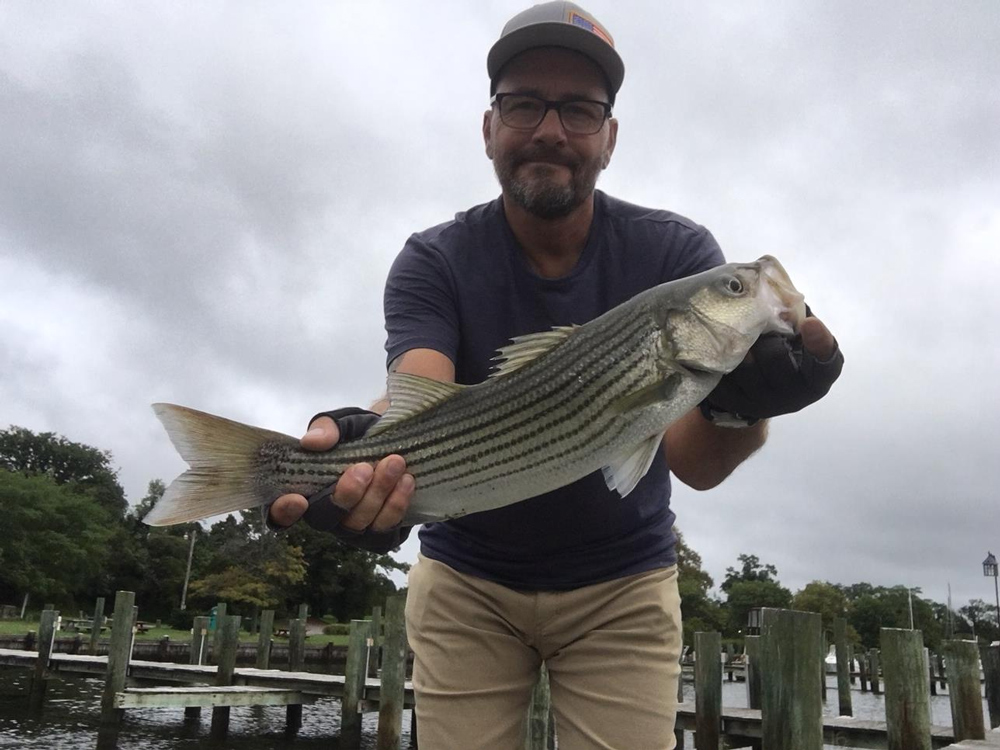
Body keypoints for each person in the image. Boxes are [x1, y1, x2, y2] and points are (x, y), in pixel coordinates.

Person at [268, 2, 843, 747]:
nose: (549, 129)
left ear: (609, 137)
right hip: (464, 581)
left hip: (623, 586)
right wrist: (356, 450)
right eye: (524, 104)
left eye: (578, 108)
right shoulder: (433, 260)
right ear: (488, 129)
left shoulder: (675, 253)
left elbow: (694, 466)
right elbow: (423, 396)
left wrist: (744, 407)